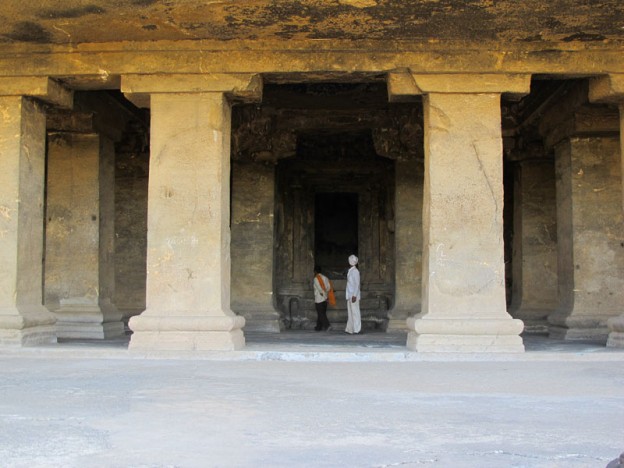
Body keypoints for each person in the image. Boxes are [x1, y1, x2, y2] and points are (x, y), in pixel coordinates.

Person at [345, 254, 361, 334]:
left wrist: (354, 295)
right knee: (350, 313)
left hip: (354, 296)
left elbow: (357, 284)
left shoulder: (355, 272)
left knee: (355, 313)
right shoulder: (350, 271)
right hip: (349, 295)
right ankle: (350, 329)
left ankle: (357, 329)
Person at [312, 265, 332, 331]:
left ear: (315, 271)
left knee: (321, 314)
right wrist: (327, 297)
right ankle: (318, 327)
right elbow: (329, 287)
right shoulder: (325, 278)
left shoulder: (316, 278)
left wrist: (324, 297)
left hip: (319, 299)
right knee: (321, 313)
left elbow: (320, 289)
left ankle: (327, 325)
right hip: (325, 299)